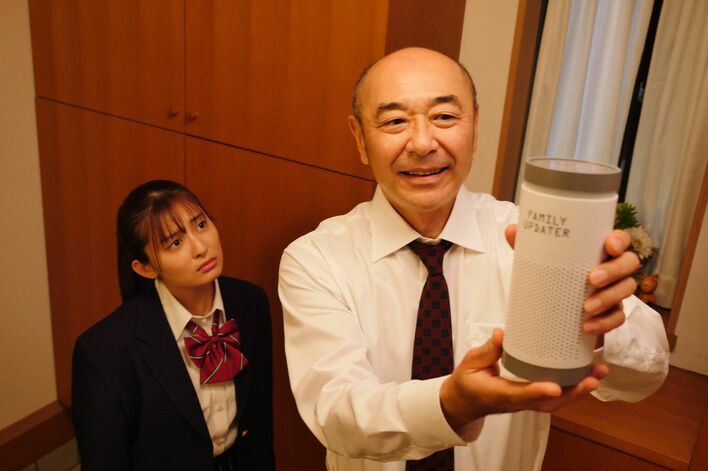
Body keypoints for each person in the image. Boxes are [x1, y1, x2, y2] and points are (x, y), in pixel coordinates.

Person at [278, 47, 669, 470]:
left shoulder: (532, 240)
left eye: (444, 116)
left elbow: (647, 374)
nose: (423, 143)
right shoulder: (317, 259)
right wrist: (450, 404)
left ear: (475, 127)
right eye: (394, 121)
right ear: (360, 138)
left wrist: (598, 320)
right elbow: (337, 414)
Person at [72, 180, 275, 470]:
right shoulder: (104, 352)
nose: (201, 247)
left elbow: (260, 419)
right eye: (175, 243)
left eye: (201, 225)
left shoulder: (251, 302)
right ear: (145, 268)